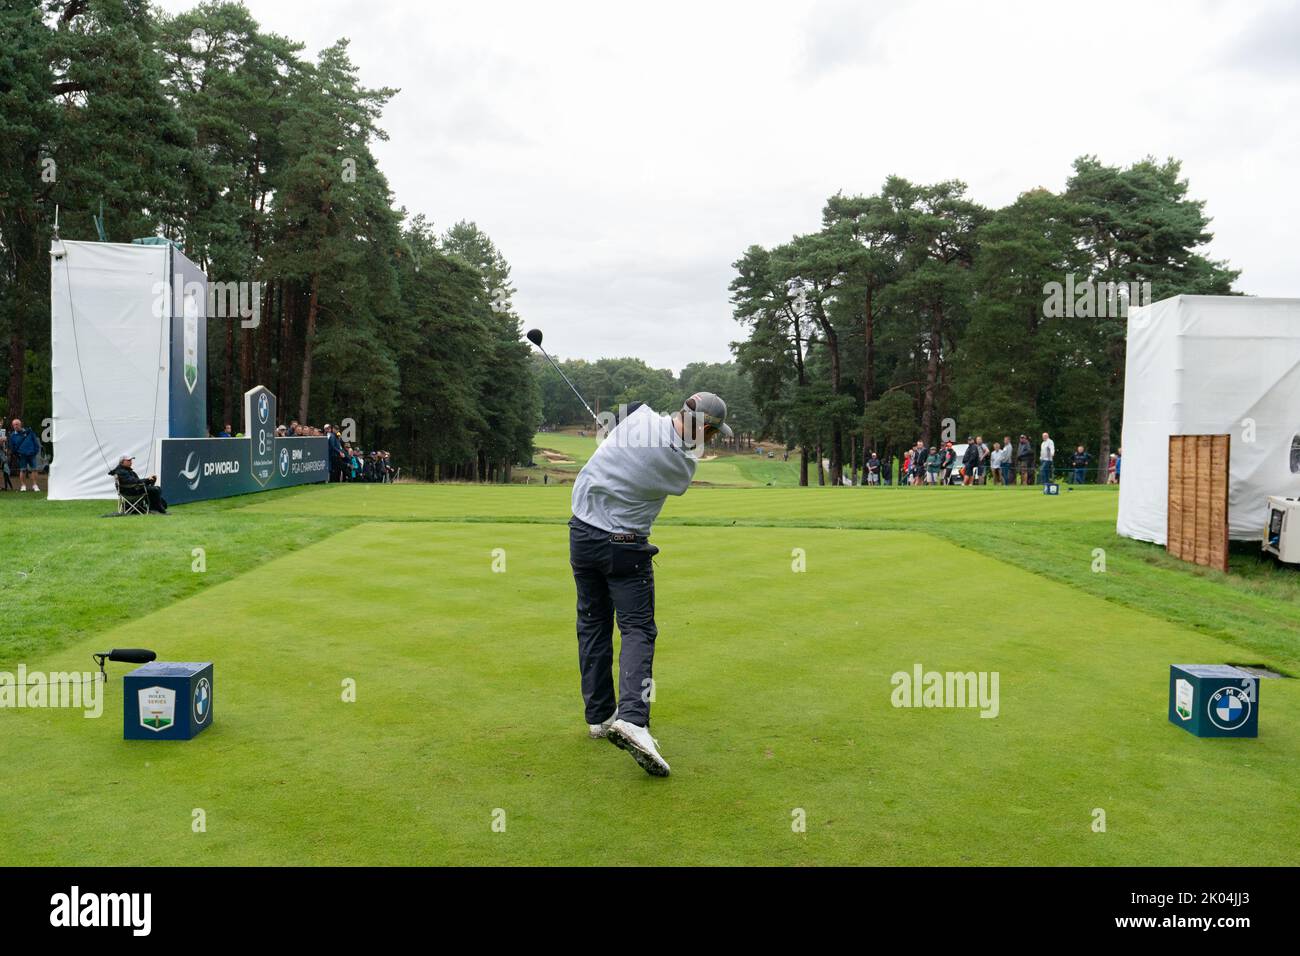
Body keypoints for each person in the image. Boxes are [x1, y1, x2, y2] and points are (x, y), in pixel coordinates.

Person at [569, 391, 732, 777]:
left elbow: (624, 415)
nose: (712, 441)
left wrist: (617, 427)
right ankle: (633, 720)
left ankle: (599, 717)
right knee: (638, 629)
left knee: (592, 622)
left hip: (581, 535)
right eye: (713, 434)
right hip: (624, 547)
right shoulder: (681, 467)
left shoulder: (639, 418)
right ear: (704, 430)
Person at [9, 418, 42, 493]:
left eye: (17, 424)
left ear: (20, 424)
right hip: (21, 455)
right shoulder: (12, 435)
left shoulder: (29, 432)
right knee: (22, 470)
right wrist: (17, 454)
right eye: (14, 425)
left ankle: (35, 485)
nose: (15, 426)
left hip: (31, 453)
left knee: (34, 469)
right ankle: (23, 486)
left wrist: (35, 451)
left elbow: (35, 442)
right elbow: (12, 446)